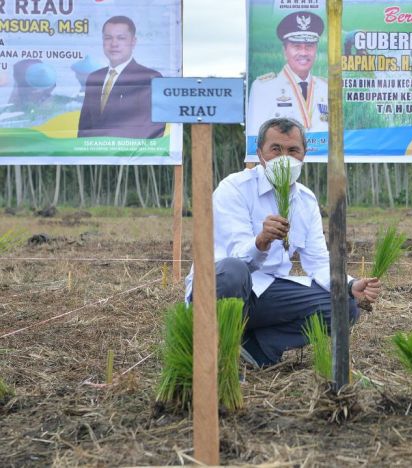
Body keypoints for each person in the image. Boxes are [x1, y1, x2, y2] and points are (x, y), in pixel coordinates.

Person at [185, 117, 381, 368]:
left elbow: (318, 263)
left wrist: (350, 284)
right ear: (260, 153)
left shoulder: (306, 201)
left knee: (345, 307)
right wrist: (261, 241)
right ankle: (212, 353)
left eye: (292, 150)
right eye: (275, 149)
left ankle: (256, 349)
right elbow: (236, 256)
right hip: (222, 289)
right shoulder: (234, 188)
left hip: (268, 291)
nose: (283, 157)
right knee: (234, 270)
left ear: (304, 155)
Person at [78, 15, 165, 139]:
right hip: (94, 155)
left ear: (133, 42)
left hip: (130, 156)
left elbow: (153, 129)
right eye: (108, 38)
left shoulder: (149, 78)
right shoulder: (94, 77)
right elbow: (84, 127)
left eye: (121, 38)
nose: (114, 44)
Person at [246, 11, 329, 139]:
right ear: (285, 51)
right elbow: (254, 138)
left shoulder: (326, 88)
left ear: (316, 50)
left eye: (309, 46)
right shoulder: (263, 87)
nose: (303, 52)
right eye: (296, 46)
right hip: (281, 158)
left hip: (322, 159)